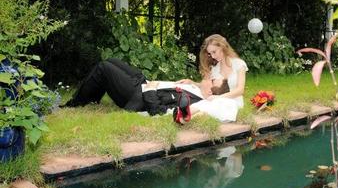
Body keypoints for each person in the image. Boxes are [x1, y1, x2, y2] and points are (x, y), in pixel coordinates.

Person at [64, 58, 229, 116]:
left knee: (104, 67)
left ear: (210, 92)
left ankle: (76, 103)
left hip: (137, 95)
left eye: (214, 81)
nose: (211, 77)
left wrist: (150, 89)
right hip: (143, 82)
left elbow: (157, 110)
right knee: (112, 60)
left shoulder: (189, 101)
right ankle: (93, 99)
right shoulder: (194, 88)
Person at [176, 34, 248, 123]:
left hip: (233, 102)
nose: (213, 56)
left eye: (214, 52)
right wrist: (192, 83)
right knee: (204, 103)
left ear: (222, 47)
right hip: (218, 100)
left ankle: (185, 117)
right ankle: (182, 115)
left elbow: (240, 90)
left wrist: (218, 97)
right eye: (210, 53)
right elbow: (206, 85)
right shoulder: (215, 69)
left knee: (217, 104)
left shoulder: (239, 64)